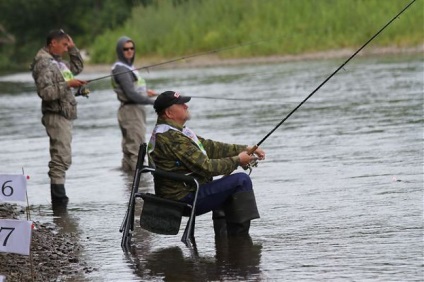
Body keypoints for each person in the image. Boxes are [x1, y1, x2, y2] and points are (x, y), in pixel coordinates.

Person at [148, 91, 265, 236]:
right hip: (182, 199)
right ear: (169, 113)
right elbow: (207, 167)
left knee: (226, 185)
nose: (186, 106)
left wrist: (244, 149)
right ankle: (239, 241)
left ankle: (224, 240)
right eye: (181, 104)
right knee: (241, 180)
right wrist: (238, 160)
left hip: (185, 192)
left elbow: (210, 147)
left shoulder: (174, 132)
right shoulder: (172, 138)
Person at [31, 29, 86, 207]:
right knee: (60, 158)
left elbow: (76, 68)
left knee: (63, 157)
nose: (65, 49)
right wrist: (68, 85)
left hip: (63, 114)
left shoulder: (57, 62)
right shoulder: (44, 63)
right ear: (52, 43)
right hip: (55, 115)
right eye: (63, 45)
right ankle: (59, 201)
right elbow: (46, 93)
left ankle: (60, 201)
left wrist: (73, 48)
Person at [111, 36, 157, 172]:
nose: (129, 51)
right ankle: (140, 186)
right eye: (125, 49)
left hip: (133, 110)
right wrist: (153, 102)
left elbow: (133, 89)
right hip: (131, 112)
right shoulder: (121, 69)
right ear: (120, 51)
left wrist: (146, 93)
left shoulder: (128, 67)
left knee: (129, 151)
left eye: (132, 48)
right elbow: (130, 94)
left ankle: (129, 184)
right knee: (136, 151)